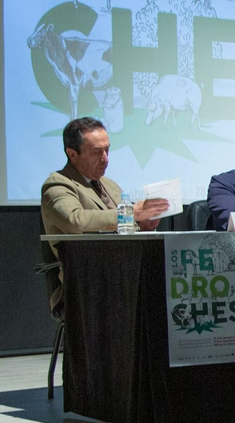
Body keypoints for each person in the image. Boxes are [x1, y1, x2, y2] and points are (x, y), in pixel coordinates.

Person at [40, 117, 168, 312]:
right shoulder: (58, 184)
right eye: (96, 152)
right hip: (85, 284)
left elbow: (125, 224)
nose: (105, 158)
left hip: (124, 275)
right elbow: (75, 220)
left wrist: (145, 224)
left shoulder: (110, 185)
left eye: (107, 150)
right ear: (72, 154)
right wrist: (132, 213)